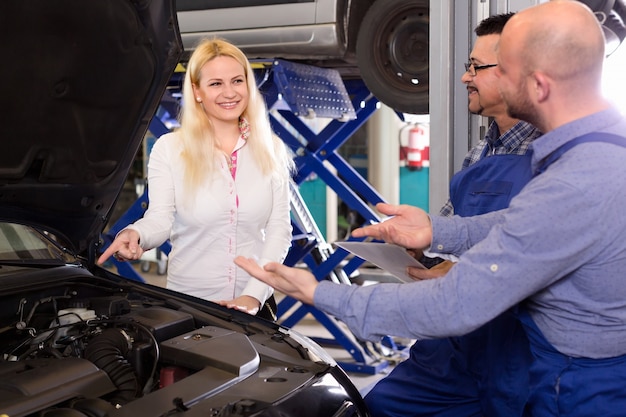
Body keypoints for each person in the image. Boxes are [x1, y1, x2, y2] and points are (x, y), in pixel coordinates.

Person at [234, 1, 626, 415]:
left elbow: (455, 304)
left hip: (580, 388)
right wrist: (439, 231)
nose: (467, 78)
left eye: (504, 71)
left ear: (540, 85)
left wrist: (318, 292)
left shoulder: (574, 183)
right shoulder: (604, 149)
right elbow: (521, 223)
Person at [362, 12, 541, 417]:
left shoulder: (554, 154)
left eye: (476, 67)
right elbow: (448, 229)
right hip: (454, 349)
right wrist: (413, 248)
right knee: (377, 407)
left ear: (517, 71)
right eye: (467, 66)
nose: (466, 77)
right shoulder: (480, 151)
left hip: (516, 351)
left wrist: (463, 270)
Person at [99, 38, 295, 319]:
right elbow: (160, 219)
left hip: (253, 306)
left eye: (237, 81)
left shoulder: (271, 149)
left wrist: (252, 295)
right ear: (197, 91)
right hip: (189, 306)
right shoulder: (170, 149)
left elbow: (279, 231)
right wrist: (136, 234)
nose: (230, 92)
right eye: (216, 83)